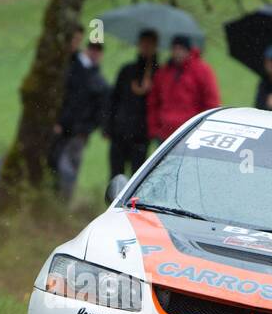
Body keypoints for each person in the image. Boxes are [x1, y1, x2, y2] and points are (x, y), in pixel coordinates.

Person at [51, 38, 109, 203]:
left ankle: (62, 203)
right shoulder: (74, 71)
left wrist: (87, 129)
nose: (94, 53)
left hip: (79, 133)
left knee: (67, 167)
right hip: (63, 128)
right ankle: (56, 201)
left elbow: (100, 111)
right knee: (57, 164)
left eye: (98, 50)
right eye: (92, 49)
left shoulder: (99, 82)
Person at [147, 34, 221, 144]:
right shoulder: (163, 72)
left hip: (191, 132)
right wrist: (154, 129)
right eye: (175, 49)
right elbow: (153, 102)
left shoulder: (201, 71)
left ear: (188, 50)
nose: (177, 52)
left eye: (181, 49)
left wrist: (205, 129)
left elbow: (211, 102)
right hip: (165, 134)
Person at [105, 28, 158, 181]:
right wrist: (109, 126)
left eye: (150, 44)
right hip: (120, 132)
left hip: (141, 135)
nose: (146, 47)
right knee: (115, 176)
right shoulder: (127, 71)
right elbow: (113, 99)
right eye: (144, 44)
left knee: (137, 178)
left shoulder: (158, 74)